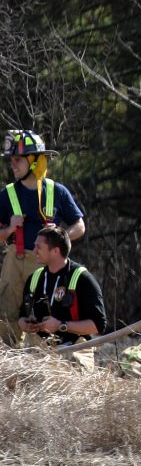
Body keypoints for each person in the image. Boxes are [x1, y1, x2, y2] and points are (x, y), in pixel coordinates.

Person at [0, 130, 86, 347]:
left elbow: (80, 226)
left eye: (18, 159)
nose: (13, 165)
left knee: (43, 319)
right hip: (15, 263)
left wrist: (62, 234)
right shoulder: (6, 195)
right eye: (12, 160)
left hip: (47, 268)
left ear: (34, 160)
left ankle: (42, 366)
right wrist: (10, 229)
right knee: (6, 318)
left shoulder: (57, 191)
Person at [18, 225, 105, 369]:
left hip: (76, 348)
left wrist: (61, 326)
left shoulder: (83, 279)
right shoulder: (34, 278)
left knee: (72, 372)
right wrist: (25, 324)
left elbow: (98, 325)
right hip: (40, 349)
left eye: (38, 247)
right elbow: (21, 316)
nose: (34, 251)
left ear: (55, 250)